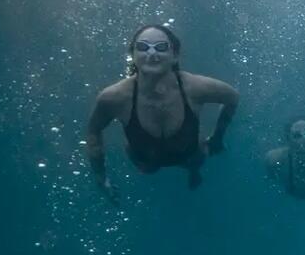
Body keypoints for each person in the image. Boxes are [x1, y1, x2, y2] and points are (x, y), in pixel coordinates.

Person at [84, 24, 240, 196]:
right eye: (143, 47)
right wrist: (100, 177)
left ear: (175, 55)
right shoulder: (115, 97)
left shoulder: (195, 88)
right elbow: (94, 130)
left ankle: (193, 173)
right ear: (133, 55)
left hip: (189, 153)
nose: (152, 54)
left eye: (161, 47)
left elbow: (232, 98)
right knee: (149, 168)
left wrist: (218, 137)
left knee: (195, 163)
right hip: (144, 160)